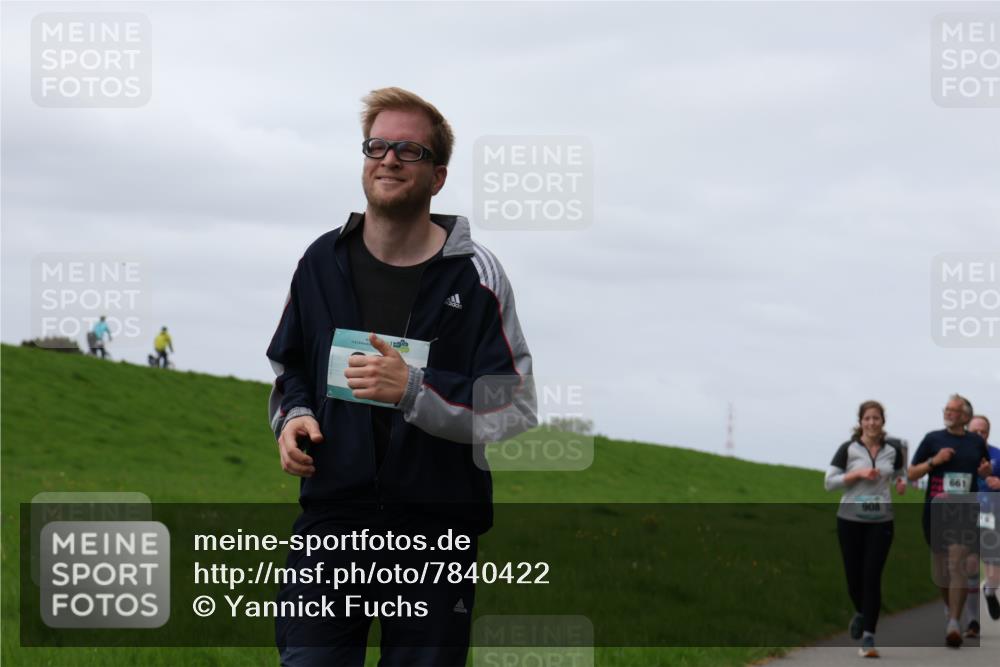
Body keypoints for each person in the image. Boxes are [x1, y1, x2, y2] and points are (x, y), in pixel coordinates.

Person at [266, 87, 536, 667]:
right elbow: (291, 366)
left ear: (438, 177)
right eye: (377, 146)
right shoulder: (320, 261)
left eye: (409, 150)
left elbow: (514, 406)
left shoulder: (477, 276)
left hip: (436, 531)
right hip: (334, 523)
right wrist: (295, 417)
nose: (389, 159)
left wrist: (414, 390)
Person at [907, 394, 992, 648]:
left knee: (957, 565)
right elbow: (911, 473)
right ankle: (950, 608)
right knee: (941, 569)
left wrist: (985, 472)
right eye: (946, 409)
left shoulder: (976, 443)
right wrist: (934, 461)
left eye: (953, 410)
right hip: (936, 510)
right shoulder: (932, 439)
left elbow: (984, 468)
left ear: (965, 416)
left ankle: (954, 622)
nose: (948, 413)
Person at [825, 400, 906, 658]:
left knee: (872, 576)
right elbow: (829, 482)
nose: (872, 422)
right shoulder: (847, 449)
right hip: (849, 520)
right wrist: (857, 474)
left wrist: (901, 482)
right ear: (860, 422)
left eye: (876, 418)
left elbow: (899, 473)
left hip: (881, 521)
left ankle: (869, 637)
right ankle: (862, 612)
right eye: (867, 418)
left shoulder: (893, 450)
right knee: (854, 578)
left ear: (883, 422)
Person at [969, 414, 1000, 623]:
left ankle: (989, 590)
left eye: (983, 431)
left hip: (991, 514)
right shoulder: (959, 454)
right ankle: (971, 620)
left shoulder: (997, 455)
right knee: (969, 563)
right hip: (965, 513)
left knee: (994, 568)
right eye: (975, 432)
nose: (980, 435)